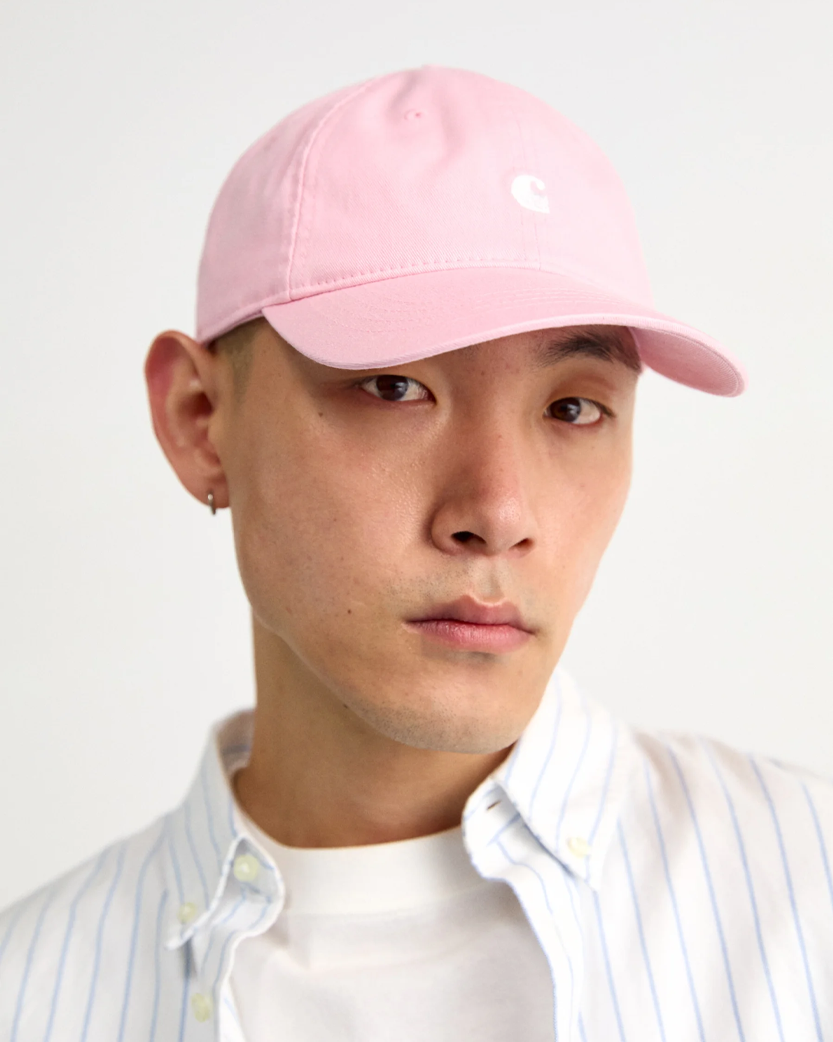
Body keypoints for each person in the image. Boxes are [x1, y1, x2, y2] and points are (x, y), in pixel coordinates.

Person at [0, 64, 830, 1042]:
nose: (498, 511)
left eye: (572, 407)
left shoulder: (808, 891)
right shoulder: (28, 993)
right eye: (393, 387)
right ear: (198, 419)